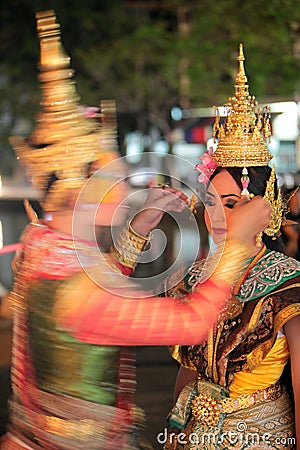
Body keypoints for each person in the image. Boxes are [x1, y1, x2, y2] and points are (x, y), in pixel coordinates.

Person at [0, 12, 271, 450]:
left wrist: (139, 228)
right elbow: (191, 323)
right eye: (113, 174)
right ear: (80, 189)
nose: (125, 183)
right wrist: (237, 245)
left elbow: (100, 281)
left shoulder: (42, 247)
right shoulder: (74, 293)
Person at [134, 44, 299, 449]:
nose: (219, 218)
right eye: (210, 204)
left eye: (231, 204)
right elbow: (188, 372)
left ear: (267, 207)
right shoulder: (195, 278)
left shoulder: (287, 285)